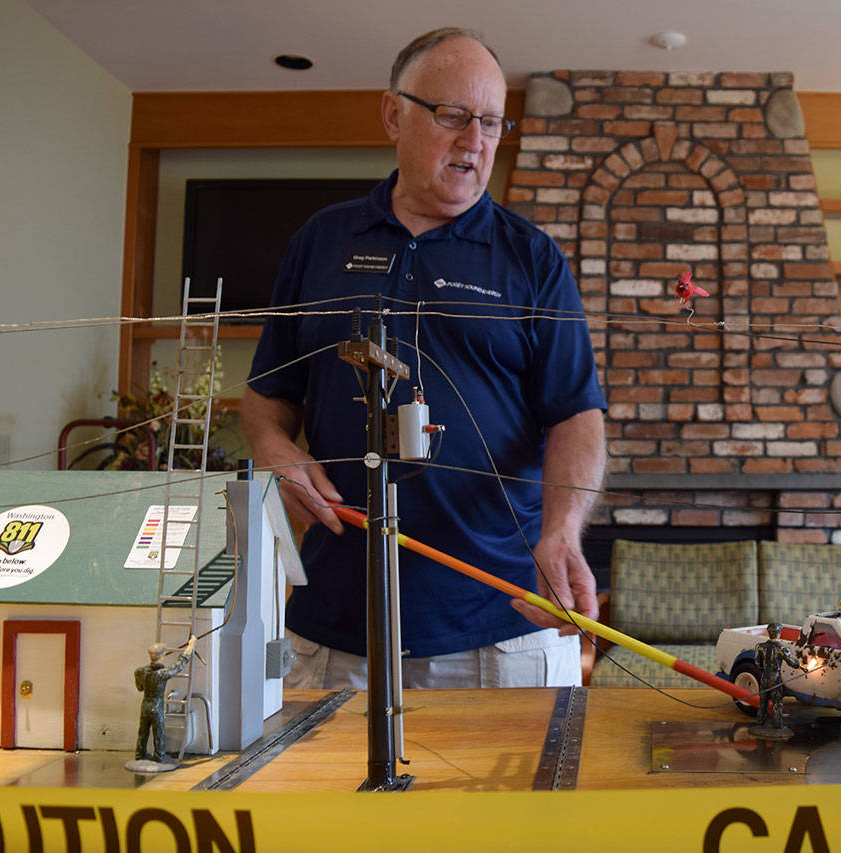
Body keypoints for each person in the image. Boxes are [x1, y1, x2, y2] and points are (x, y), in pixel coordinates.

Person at [243, 27, 607, 690]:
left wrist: (563, 530)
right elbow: (268, 397)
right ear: (393, 114)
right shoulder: (321, 241)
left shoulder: (532, 259)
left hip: (502, 633)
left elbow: (576, 414)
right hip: (334, 631)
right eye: (453, 116)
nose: (475, 140)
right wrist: (273, 449)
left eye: (492, 122)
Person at [133, 635, 197, 765]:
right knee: (159, 731)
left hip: (145, 705)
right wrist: (191, 646)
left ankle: (140, 755)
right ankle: (159, 756)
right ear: (162, 655)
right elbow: (180, 664)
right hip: (157, 706)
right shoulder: (162, 673)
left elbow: (140, 688)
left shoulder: (140, 672)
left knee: (143, 731)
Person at [752, 623, 801, 736]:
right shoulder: (782, 649)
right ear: (779, 633)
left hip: (764, 677)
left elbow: (758, 663)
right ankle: (777, 725)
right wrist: (799, 665)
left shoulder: (760, 646)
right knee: (777, 702)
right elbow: (792, 663)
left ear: (769, 633)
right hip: (775, 678)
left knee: (763, 701)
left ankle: (760, 722)